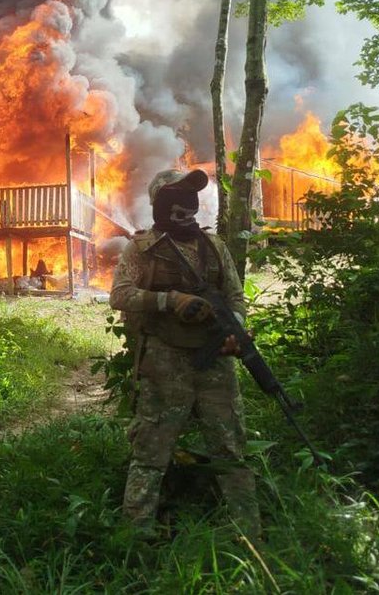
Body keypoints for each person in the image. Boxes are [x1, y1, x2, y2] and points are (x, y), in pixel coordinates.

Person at [108, 168, 259, 537]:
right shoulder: (142, 248)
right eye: (175, 195)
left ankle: (247, 533)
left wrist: (233, 329)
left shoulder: (215, 246)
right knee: (150, 453)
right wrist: (169, 300)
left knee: (230, 449)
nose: (185, 204)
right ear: (160, 201)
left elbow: (236, 297)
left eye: (189, 195)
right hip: (165, 362)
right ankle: (137, 535)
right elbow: (120, 294)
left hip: (215, 363)